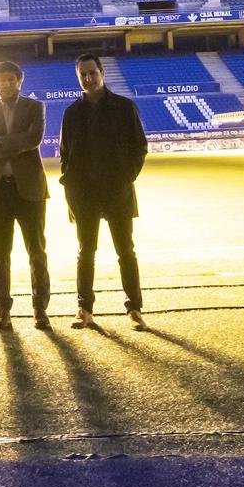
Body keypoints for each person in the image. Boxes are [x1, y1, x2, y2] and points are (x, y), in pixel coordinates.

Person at [59, 53, 150, 330]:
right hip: (84, 195)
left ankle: (134, 309)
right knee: (85, 252)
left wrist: (125, 178)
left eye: (92, 73)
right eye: (83, 75)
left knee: (126, 251)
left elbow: (140, 147)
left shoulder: (124, 108)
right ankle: (84, 309)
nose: (88, 78)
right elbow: (65, 155)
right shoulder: (72, 113)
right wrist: (71, 190)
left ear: (102, 72)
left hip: (117, 192)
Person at [0, 61, 51, 330]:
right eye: (0, 79)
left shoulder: (35, 107)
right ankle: (2, 310)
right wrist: (10, 143)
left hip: (30, 190)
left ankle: (40, 309)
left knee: (37, 252)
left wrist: (1, 142)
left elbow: (34, 139)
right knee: (0, 254)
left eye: (10, 79)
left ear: (20, 81)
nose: (5, 83)